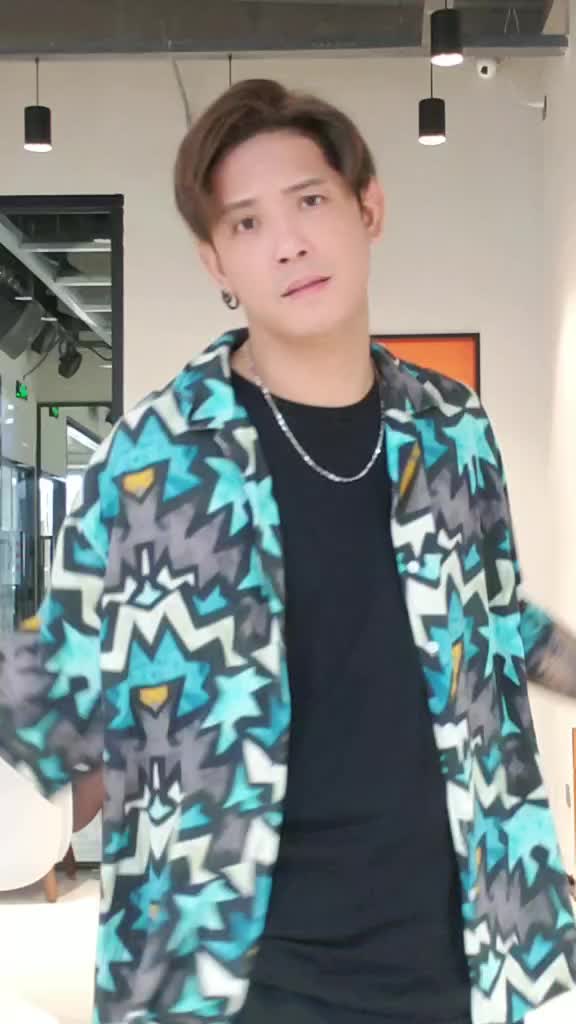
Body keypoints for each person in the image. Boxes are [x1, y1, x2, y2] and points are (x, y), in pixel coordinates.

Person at [1, 79, 575, 1024]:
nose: (288, 243)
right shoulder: (158, 454)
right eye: (246, 223)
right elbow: (48, 686)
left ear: (368, 208)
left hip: (451, 942)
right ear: (215, 260)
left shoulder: (451, 428)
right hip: (236, 964)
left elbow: (492, 613)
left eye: (310, 201)